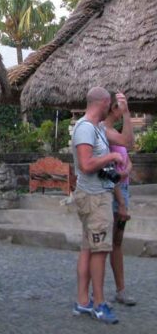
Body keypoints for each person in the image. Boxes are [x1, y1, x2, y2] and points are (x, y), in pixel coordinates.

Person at [71, 87, 134, 324]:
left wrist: (127, 114)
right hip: (94, 198)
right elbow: (86, 165)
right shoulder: (85, 128)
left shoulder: (98, 129)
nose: (111, 109)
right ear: (104, 103)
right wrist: (111, 157)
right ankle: (99, 304)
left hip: (97, 197)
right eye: (111, 105)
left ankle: (82, 301)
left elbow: (128, 141)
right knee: (99, 251)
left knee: (88, 248)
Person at [104, 95, 136, 306]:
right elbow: (129, 142)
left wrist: (127, 171)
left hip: (123, 189)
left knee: (117, 242)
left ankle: (120, 289)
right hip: (115, 192)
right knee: (109, 242)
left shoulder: (114, 132)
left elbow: (128, 157)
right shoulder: (105, 132)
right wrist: (126, 114)